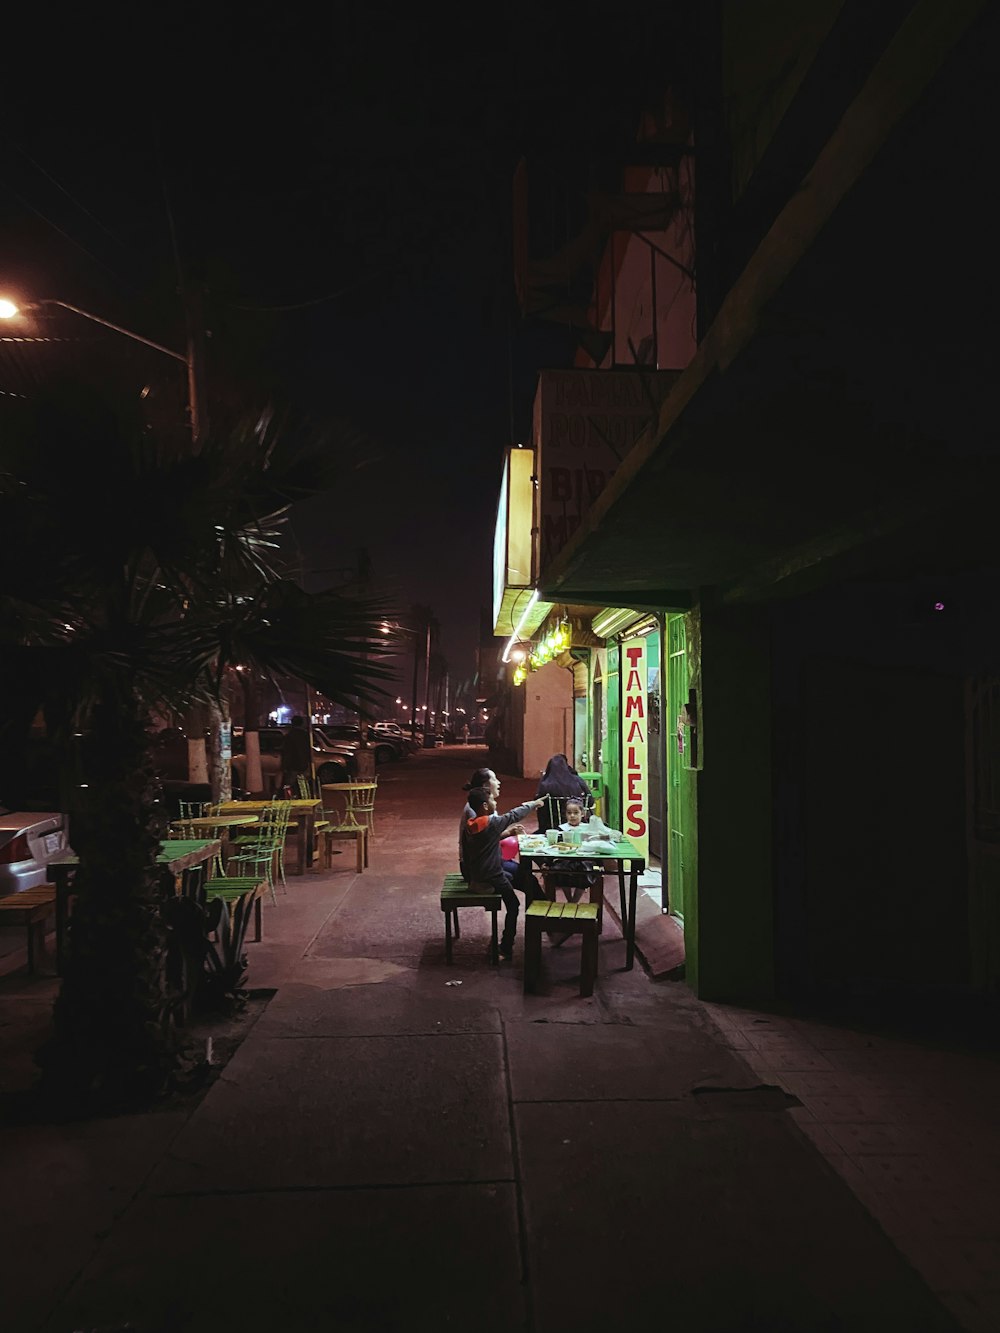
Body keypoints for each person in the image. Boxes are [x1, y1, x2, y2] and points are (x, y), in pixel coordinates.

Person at [461, 786, 544, 959]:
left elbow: (488, 841)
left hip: (479, 873)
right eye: (492, 800)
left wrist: (508, 833)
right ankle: (506, 947)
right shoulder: (490, 823)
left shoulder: (472, 825)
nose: (495, 802)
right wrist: (533, 804)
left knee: (515, 877)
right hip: (492, 874)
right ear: (484, 806)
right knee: (513, 905)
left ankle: (540, 919)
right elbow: (513, 815)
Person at [535, 754, 592, 833]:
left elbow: (538, 804)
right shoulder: (577, 780)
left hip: (551, 826)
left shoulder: (545, 784)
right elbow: (589, 801)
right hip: (577, 824)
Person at [280, 715, 312, 792]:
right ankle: (304, 798)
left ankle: (289, 798)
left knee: (289, 785)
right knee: (303, 784)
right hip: (303, 764)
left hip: (293, 765)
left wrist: (284, 766)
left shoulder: (289, 736)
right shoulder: (306, 735)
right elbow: (308, 750)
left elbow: (287, 752)